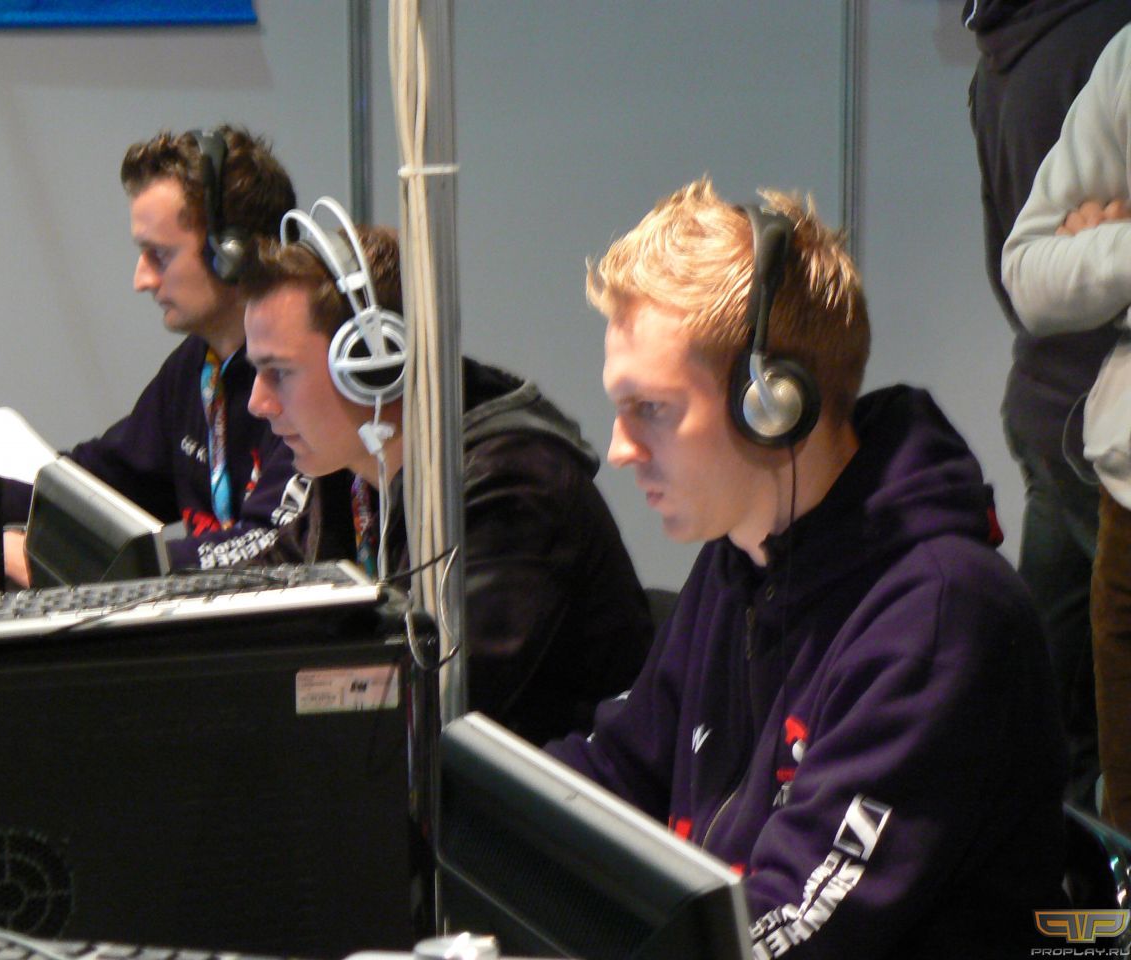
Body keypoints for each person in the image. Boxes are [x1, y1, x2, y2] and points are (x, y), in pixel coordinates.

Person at [547, 176, 1066, 958]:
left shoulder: (940, 621)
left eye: (650, 408)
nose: (619, 449)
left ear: (772, 405)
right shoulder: (739, 562)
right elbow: (619, 772)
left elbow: (787, 933)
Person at [238, 200, 654, 745]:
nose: (257, 402)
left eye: (279, 372)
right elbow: (274, 587)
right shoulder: (357, 465)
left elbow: (427, 708)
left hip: (513, 794)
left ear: (373, 362)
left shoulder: (513, 488)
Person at [966, 0, 1131, 812]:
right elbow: (1027, 268)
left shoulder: (1004, 55)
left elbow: (1021, 276)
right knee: (1065, 747)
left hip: (1061, 418)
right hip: (1087, 437)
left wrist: (1095, 254)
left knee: (1047, 743)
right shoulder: (1107, 41)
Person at [4, 125, 297, 580]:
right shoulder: (197, 367)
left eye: (159, 256)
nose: (141, 280)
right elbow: (99, 482)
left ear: (231, 254)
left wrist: (78, 565)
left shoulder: (301, 377)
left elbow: (273, 546)